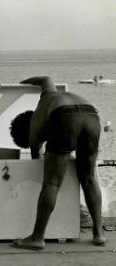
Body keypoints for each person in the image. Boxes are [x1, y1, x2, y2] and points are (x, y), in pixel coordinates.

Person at [9, 76, 105, 250]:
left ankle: (37, 237)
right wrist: (20, 82)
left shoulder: (34, 127)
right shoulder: (48, 94)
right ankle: (99, 233)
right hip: (91, 115)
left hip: (64, 116)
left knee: (52, 183)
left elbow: (35, 159)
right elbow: (45, 79)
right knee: (89, 178)